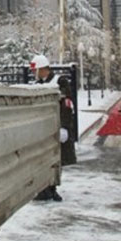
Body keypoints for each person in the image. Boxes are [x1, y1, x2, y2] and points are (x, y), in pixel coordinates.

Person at [30, 54, 76, 202]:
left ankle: (52, 188)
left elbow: (67, 105)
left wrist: (64, 127)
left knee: (55, 159)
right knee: (43, 160)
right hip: (43, 129)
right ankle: (44, 189)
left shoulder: (59, 82)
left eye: (35, 70)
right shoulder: (37, 84)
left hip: (56, 126)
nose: (33, 73)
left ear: (42, 69)